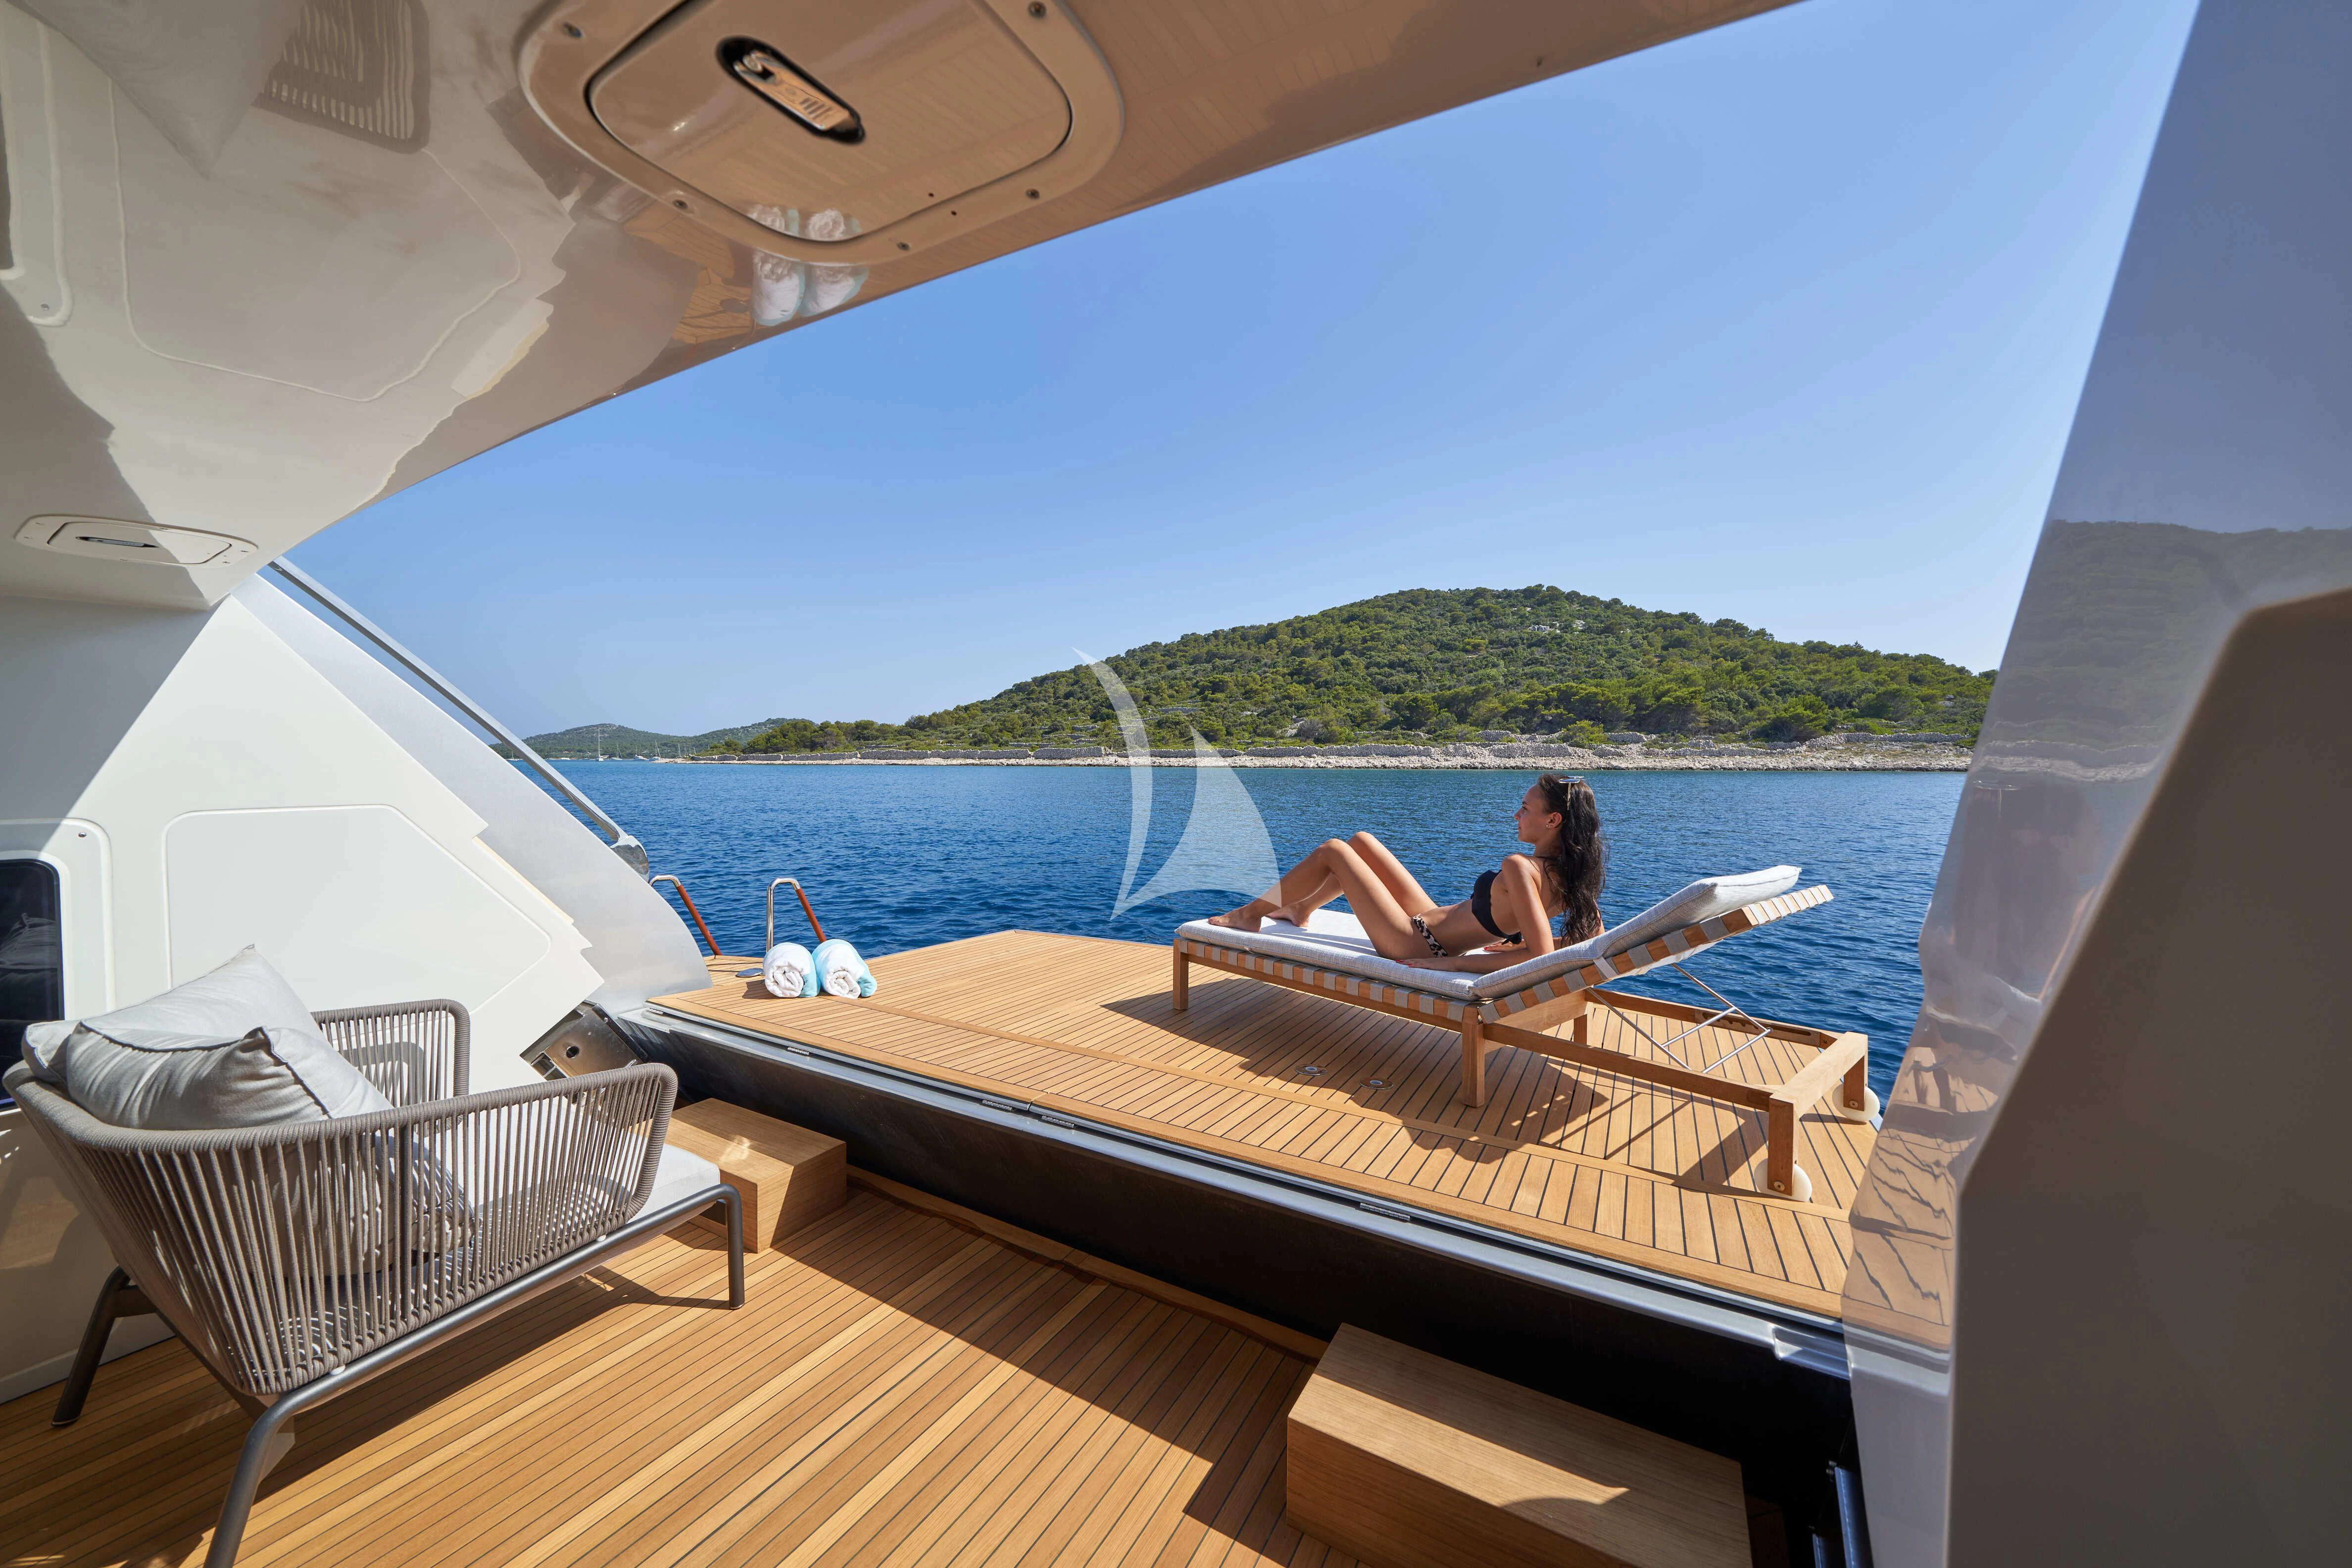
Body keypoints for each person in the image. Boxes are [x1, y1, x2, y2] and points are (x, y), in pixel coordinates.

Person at [1208, 773, 1606, 973]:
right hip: (1430, 924)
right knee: (1361, 842)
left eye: (1526, 809)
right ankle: (1301, 909)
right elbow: (1591, 937)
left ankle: (1250, 915)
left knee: (1334, 851)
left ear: (1553, 820)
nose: (1516, 815)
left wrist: (1450, 965)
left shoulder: (1521, 867)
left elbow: (1540, 957)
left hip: (1416, 943)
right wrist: (1515, 940)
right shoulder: (1574, 875)